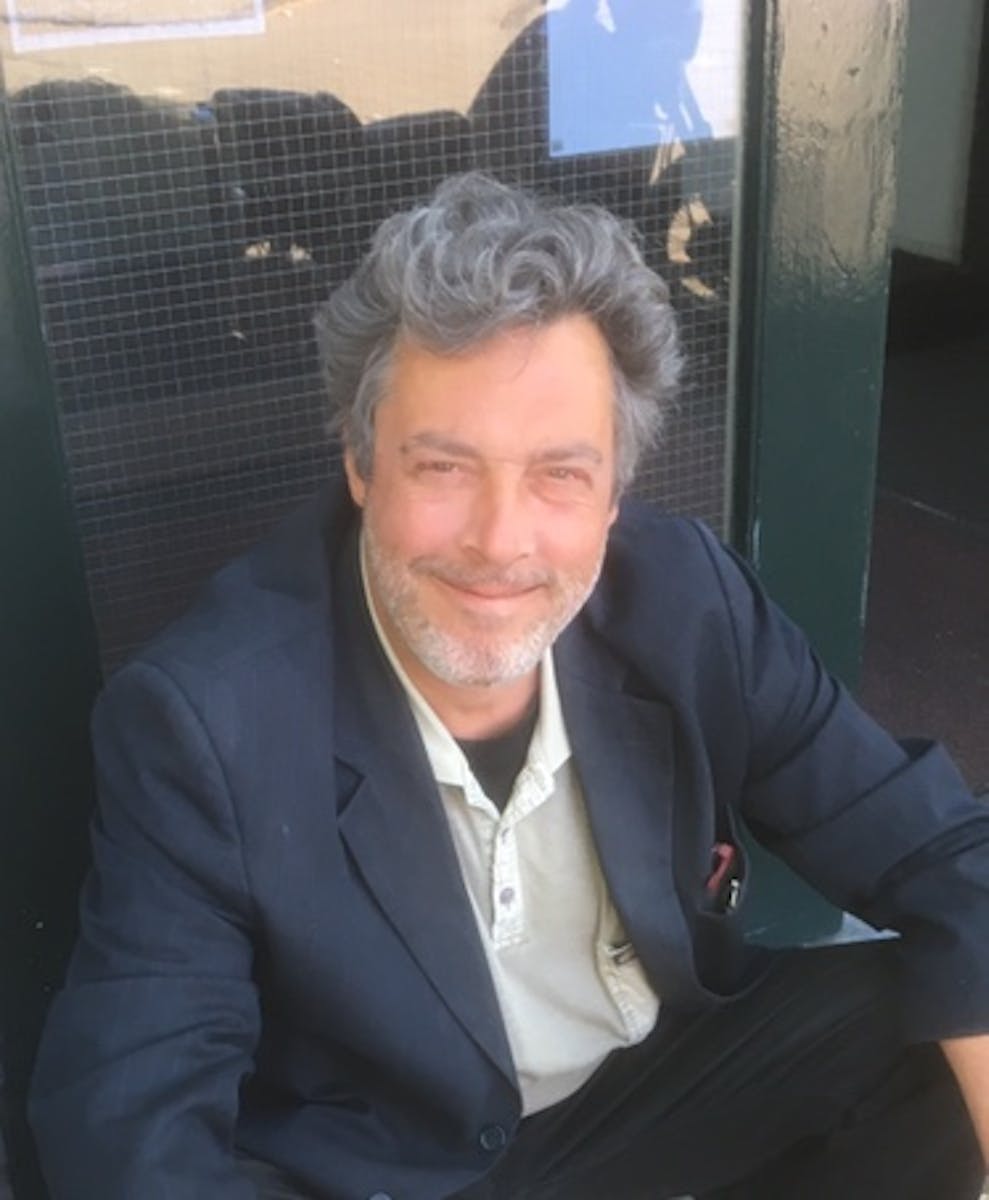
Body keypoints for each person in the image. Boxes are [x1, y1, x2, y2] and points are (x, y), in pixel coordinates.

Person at [29, 173, 989, 1199]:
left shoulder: (685, 600)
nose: (498, 542)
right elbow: (130, 1125)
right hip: (392, 1164)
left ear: (614, 492)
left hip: (631, 1097)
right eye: (442, 468)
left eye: (558, 474)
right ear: (360, 465)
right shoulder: (206, 717)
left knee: (929, 1045)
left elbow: (934, 850)